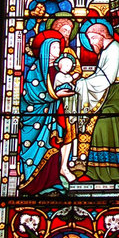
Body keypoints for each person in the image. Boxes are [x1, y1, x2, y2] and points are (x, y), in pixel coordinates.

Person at [75, 21, 119, 185]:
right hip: (111, 94)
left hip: (116, 95)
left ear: (101, 35)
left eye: (92, 38)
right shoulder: (107, 50)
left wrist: (82, 84)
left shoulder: (114, 49)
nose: (92, 43)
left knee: (105, 127)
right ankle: (97, 171)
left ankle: (113, 172)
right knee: (103, 127)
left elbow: (106, 78)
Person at [20, 30, 75, 193]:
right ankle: (31, 183)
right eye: (54, 47)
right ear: (45, 49)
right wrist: (55, 95)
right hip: (37, 119)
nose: (58, 51)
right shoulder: (36, 70)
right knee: (38, 148)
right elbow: (30, 94)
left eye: (59, 47)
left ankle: (53, 182)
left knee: (54, 145)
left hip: (53, 116)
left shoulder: (56, 71)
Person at [54, 52, 81, 183]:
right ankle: (60, 166)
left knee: (70, 137)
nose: (68, 66)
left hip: (70, 111)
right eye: (65, 64)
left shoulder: (65, 76)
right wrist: (74, 76)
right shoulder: (59, 76)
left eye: (70, 64)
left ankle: (64, 165)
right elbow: (66, 81)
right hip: (60, 111)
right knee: (63, 137)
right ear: (59, 65)